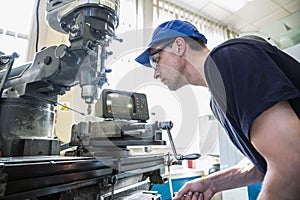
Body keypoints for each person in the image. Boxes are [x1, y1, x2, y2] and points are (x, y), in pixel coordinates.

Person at [135, 19, 300, 200]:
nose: (156, 73)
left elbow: (291, 160)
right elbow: (263, 164)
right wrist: (210, 184)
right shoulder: (216, 101)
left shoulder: (228, 58)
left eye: (155, 60)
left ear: (179, 46)